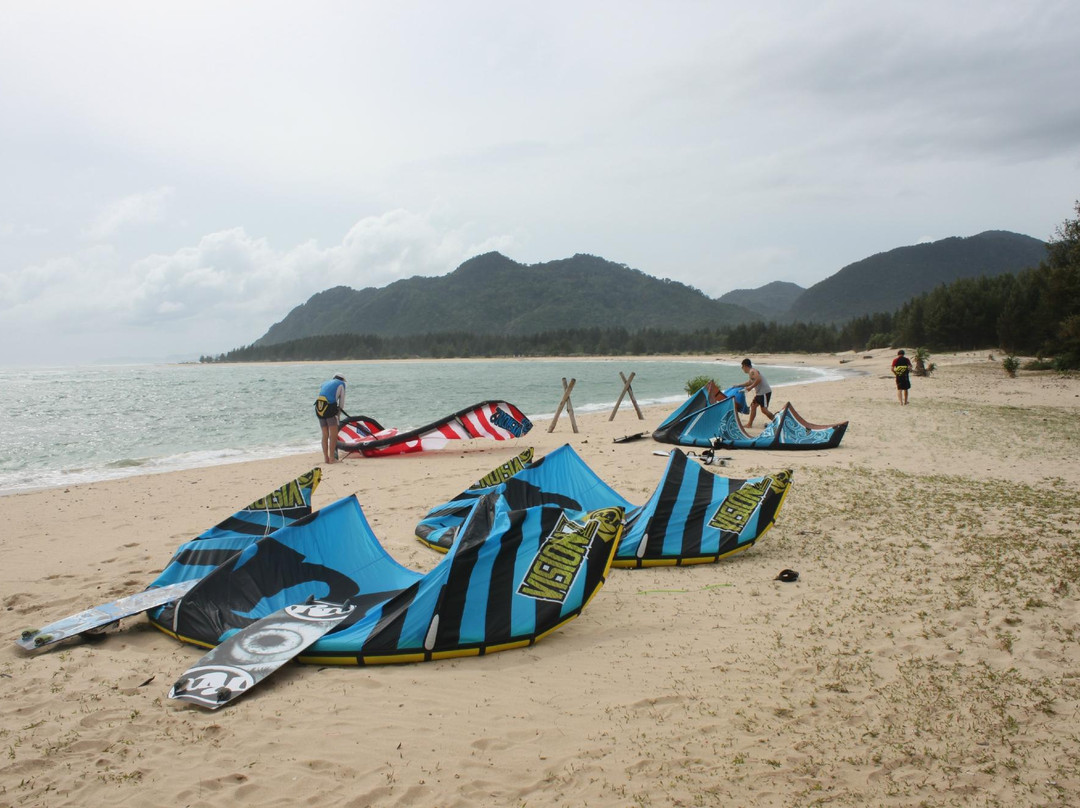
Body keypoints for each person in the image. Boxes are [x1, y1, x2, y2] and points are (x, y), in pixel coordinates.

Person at [314, 374, 347, 464]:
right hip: (329, 408)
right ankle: (332, 458)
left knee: (325, 434)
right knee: (333, 435)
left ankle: (326, 458)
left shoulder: (325, 383)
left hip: (319, 407)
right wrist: (338, 414)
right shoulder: (341, 384)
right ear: (343, 380)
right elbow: (342, 402)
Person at [740, 358, 774, 427]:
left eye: (742, 367)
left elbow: (759, 379)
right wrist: (738, 385)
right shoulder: (751, 373)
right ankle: (749, 424)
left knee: (764, 410)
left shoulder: (752, 371)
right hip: (759, 393)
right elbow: (749, 382)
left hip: (764, 392)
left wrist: (750, 387)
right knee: (753, 406)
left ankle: (776, 421)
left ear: (745, 366)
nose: (742, 369)